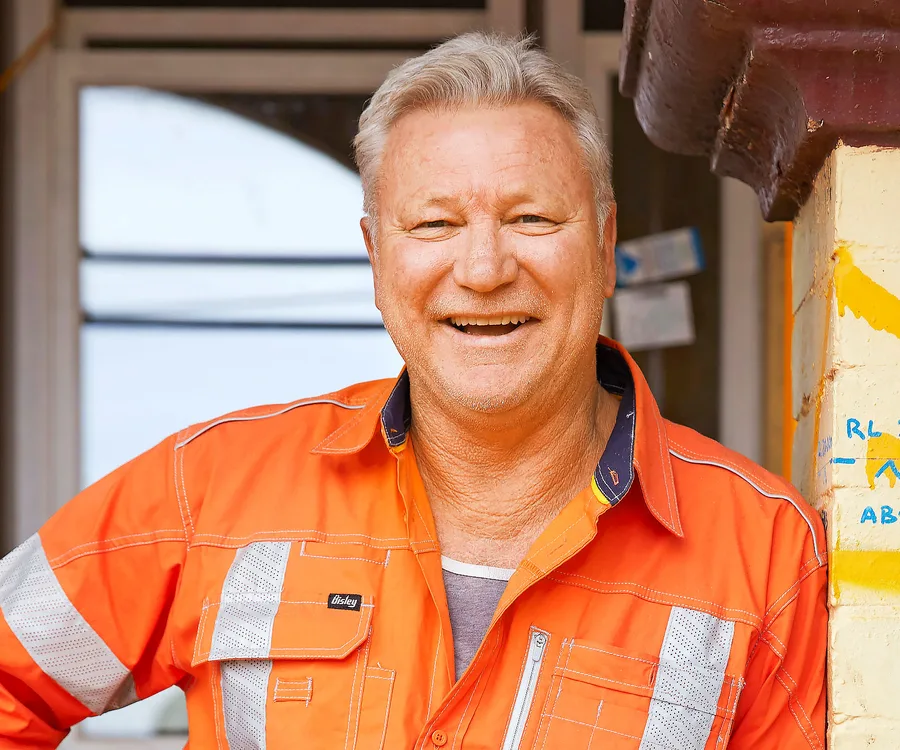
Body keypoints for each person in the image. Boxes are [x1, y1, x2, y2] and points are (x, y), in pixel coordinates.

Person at [0, 32, 825, 749]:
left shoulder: (763, 553)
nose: (483, 269)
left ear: (606, 246)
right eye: (433, 225)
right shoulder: (210, 490)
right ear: (376, 258)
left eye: (533, 220)